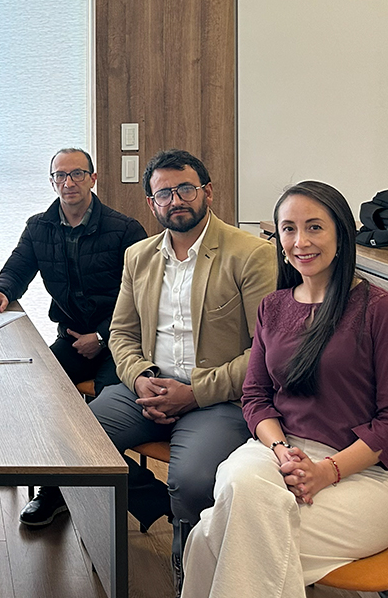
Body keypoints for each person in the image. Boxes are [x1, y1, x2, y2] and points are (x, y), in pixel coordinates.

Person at [183, 182, 388, 597]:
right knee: (240, 494)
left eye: (314, 227)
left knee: (215, 537)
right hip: (278, 453)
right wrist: (281, 449)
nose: (300, 241)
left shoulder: (381, 310)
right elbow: (256, 397)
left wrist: (327, 471)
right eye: (288, 229)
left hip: (364, 474)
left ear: (341, 234)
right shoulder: (273, 307)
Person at [87, 149, 277, 589]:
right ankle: (155, 506)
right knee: (77, 446)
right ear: (151, 203)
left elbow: (265, 352)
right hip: (147, 390)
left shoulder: (251, 254)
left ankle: (190, 567)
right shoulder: (138, 256)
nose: (176, 200)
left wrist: (193, 393)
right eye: (164, 193)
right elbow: (121, 334)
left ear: (207, 192)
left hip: (218, 399)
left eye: (186, 188)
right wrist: (141, 378)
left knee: (191, 481)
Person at [0, 147, 147, 526]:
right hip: (70, 340)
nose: (68, 182)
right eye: (60, 175)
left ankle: (146, 497)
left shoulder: (125, 229)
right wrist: (0, 289)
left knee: (102, 417)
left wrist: (101, 336)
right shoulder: (39, 227)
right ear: (52, 181)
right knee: (39, 398)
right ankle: (56, 491)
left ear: (93, 178)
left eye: (77, 174)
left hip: (121, 343)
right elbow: (16, 269)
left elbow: (145, 296)